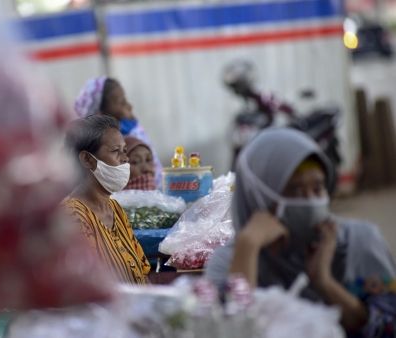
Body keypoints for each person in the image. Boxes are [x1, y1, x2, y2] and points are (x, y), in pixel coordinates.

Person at [205, 128, 396, 337]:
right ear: (257, 197)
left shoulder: (359, 242)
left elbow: (389, 329)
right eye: (294, 191)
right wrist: (249, 246)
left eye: (318, 188)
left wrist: (325, 282)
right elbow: (228, 332)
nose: (311, 202)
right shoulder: (231, 260)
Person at [61, 115, 151, 284]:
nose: (125, 159)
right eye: (115, 151)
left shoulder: (114, 209)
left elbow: (142, 273)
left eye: (124, 151)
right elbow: (87, 288)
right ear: (87, 160)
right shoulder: (72, 216)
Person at [74, 76, 163, 188]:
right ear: (102, 115)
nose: (129, 106)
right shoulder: (105, 149)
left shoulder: (132, 130)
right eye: (122, 103)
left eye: (148, 160)